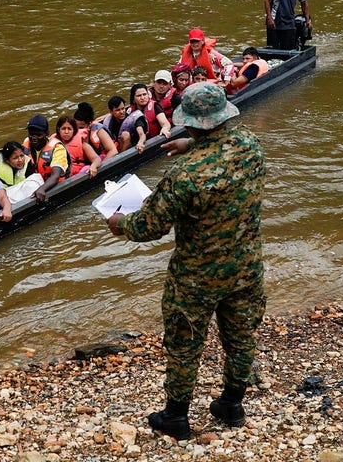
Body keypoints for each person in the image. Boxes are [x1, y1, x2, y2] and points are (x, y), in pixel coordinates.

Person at [106, 82, 266, 441]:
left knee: (184, 343)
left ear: (190, 123)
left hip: (196, 276)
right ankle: (231, 404)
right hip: (246, 267)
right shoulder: (251, 147)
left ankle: (176, 416)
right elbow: (222, 151)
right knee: (241, 339)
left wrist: (118, 223)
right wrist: (193, 144)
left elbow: (148, 226)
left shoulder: (183, 176)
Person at [22, 114, 69, 201]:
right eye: (31, 134)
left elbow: (56, 176)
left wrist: (42, 189)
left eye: (38, 135)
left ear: (46, 133)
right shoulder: (26, 143)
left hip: (53, 185)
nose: (34, 138)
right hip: (34, 183)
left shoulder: (57, 148)